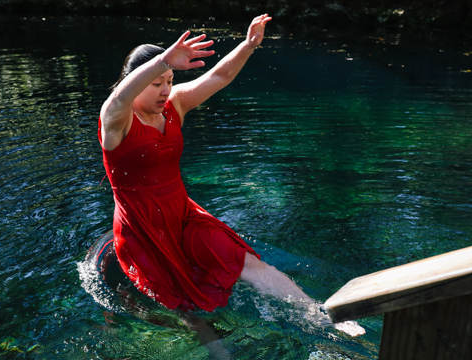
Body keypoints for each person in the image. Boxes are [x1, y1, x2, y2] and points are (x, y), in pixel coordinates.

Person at [97, 14, 364, 337]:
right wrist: (164, 59)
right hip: (143, 231)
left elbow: (219, 76)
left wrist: (249, 45)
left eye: (169, 80)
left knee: (247, 262)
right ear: (137, 80)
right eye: (157, 83)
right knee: (186, 311)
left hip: (183, 216)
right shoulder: (116, 121)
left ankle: (322, 316)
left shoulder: (174, 105)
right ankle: (221, 352)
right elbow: (119, 98)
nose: (166, 89)